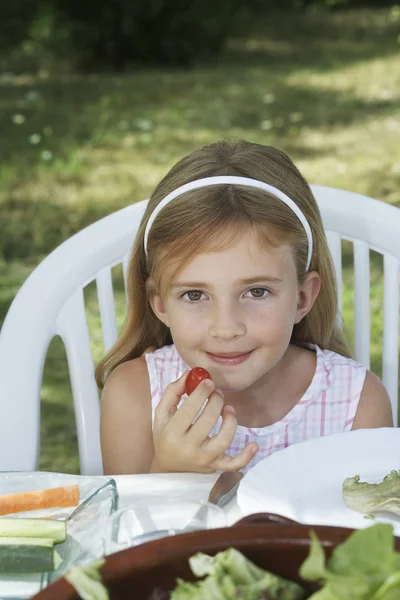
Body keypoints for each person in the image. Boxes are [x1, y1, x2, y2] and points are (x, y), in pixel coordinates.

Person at [96, 140, 393, 475]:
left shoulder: (356, 402)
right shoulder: (135, 397)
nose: (226, 328)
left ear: (302, 298)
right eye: (194, 295)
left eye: (256, 291)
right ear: (161, 305)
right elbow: (127, 526)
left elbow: (372, 526)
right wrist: (172, 473)